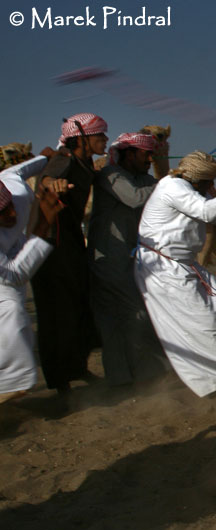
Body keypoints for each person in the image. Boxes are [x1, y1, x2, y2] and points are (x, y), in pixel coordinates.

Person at [134, 151, 216, 397]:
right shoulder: (173, 187)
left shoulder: (189, 190)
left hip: (181, 264)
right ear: (198, 179)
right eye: (208, 182)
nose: (211, 186)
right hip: (162, 268)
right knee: (202, 320)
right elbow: (208, 213)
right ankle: (213, 383)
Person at [32, 113, 108, 393]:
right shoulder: (64, 159)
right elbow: (47, 179)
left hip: (70, 242)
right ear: (83, 138)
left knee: (80, 306)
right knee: (56, 313)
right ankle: (58, 383)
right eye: (100, 135)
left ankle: (77, 368)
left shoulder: (82, 161)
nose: (105, 140)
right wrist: (52, 184)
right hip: (52, 245)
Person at [88, 132, 168, 387]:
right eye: (146, 154)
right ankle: (134, 376)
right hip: (108, 260)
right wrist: (168, 183)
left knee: (126, 318)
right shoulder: (109, 176)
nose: (150, 159)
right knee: (130, 316)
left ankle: (127, 377)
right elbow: (134, 197)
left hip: (129, 259)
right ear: (130, 153)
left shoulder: (143, 178)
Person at [1, 159, 71, 403]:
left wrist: (47, 159)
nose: (12, 214)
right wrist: (46, 222)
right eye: (3, 212)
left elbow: (16, 170)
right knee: (10, 310)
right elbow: (14, 275)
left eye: (9, 205)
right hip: (6, 271)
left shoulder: (16, 193)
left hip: (9, 260)